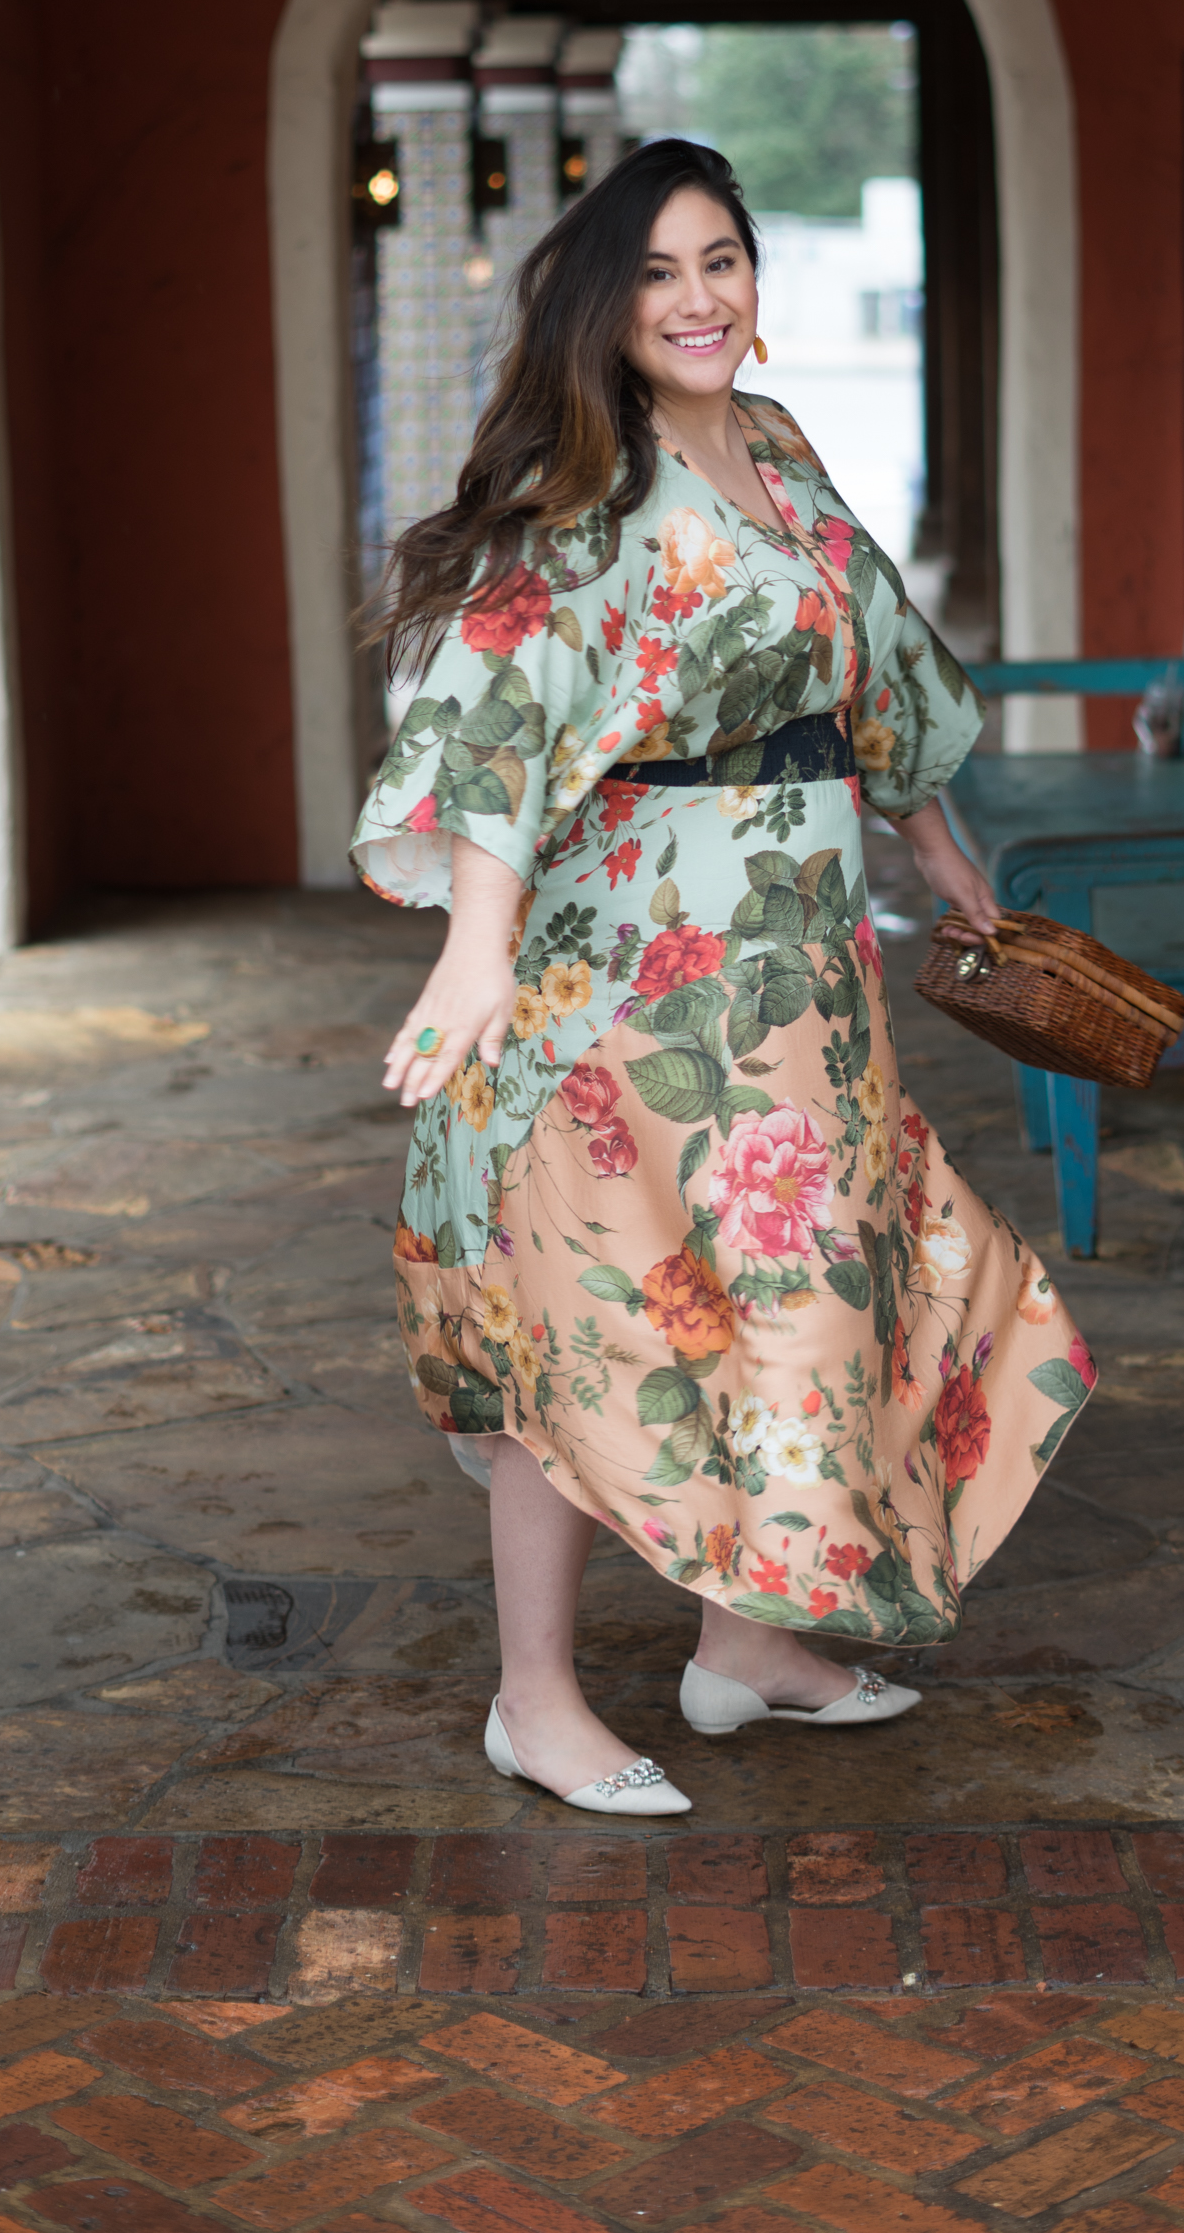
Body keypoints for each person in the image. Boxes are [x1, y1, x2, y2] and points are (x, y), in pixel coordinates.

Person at [353, 138, 1095, 1814]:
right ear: (604, 306)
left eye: (721, 261)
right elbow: (506, 707)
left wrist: (938, 843)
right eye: (658, 272)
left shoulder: (775, 442)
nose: (697, 298)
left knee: (799, 1299)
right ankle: (533, 1696)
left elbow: (875, 654)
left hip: (799, 971)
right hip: (624, 967)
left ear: (756, 280)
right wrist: (475, 946)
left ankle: (745, 1642)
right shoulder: (583, 486)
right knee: (586, 1318)